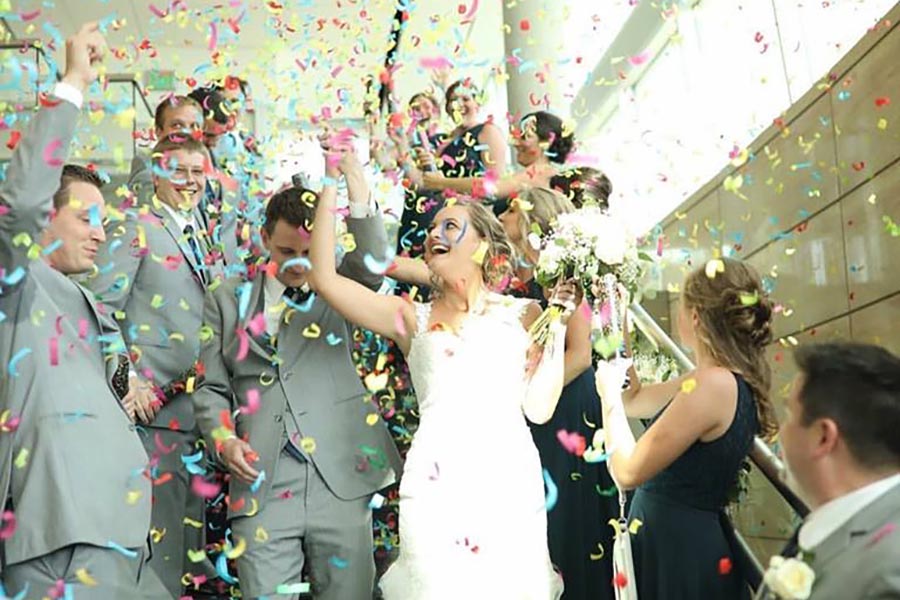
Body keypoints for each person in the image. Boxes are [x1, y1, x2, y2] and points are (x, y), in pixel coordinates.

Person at [309, 141, 577, 598]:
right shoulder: (407, 316)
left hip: (508, 479)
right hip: (435, 482)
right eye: (432, 227)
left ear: (484, 246)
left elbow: (539, 408)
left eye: (450, 225)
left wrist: (557, 331)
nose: (434, 233)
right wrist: (338, 175)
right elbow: (326, 278)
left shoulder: (528, 313)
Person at [192, 153, 401, 598]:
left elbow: (374, 259)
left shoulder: (340, 284)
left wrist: (353, 177)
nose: (299, 265)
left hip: (340, 471)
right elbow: (210, 387)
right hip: (260, 476)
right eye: (287, 252)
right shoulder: (227, 299)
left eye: (309, 253)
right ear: (264, 237)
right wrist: (224, 438)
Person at [0, 22, 159, 597]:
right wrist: (72, 84)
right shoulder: (17, 283)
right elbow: (18, 202)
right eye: (84, 218)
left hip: (120, 531)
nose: (100, 233)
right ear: (46, 217)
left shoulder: (92, 305)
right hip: (59, 530)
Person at [80, 134, 226, 596]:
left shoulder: (203, 232)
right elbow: (98, 307)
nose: (189, 182)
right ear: (158, 173)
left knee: (192, 551)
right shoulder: (135, 225)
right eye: (178, 171)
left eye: (197, 172)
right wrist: (129, 381)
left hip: (202, 414)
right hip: (155, 416)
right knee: (160, 549)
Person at [594, 257, 778, 599]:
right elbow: (634, 399)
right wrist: (616, 318)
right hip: (675, 541)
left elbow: (627, 472)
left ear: (694, 317)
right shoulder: (712, 380)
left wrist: (607, 398)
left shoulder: (713, 385)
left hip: (680, 549)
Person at [498, 187, 617, 599]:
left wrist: (525, 396)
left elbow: (581, 355)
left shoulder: (565, 272)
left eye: (512, 209)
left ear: (533, 217)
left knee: (568, 514)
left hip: (569, 408)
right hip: (544, 407)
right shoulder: (527, 276)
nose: (504, 214)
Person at [764, 342, 900, 599]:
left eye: (789, 415)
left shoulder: (889, 574)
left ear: (823, 437)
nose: (780, 433)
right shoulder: (839, 521)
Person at [422, 111, 575, 205]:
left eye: (525, 137)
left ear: (546, 141)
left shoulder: (542, 172)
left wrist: (440, 182)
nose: (516, 143)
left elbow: (491, 188)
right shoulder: (532, 174)